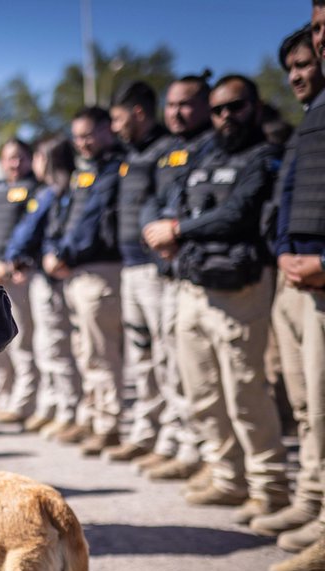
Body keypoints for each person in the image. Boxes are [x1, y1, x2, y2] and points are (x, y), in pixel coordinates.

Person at [143, 75, 290, 520]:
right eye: (222, 108)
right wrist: (167, 228)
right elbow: (169, 198)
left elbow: (239, 213)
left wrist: (179, 231)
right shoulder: (204, 155)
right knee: (203, 391)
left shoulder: (263, 157)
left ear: (255, 107)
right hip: (193, 286)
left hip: (239, 289)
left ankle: (270, 486)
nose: (228, 116)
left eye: (237, 106)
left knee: (246, 392)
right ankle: (228, 476)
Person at [252, 25, 325, 540]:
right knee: (305, 404)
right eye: (292, 68)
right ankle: (314, 499)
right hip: (296, 276)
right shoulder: (311, 118)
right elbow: (287, 202)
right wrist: (284, 254)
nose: (301, 71)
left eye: (305, 60)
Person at [136, 74, 216, 482]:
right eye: (171, 105)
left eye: (185, 104)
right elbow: (151, 200)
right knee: (169, 363)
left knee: (192, 370)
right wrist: (156, 232)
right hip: (168, 265)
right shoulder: (168, 151)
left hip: (202, 267)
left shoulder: (213, 145)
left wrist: (177, 231)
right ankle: (186, 446)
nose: (176, 112)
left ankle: (204, 454)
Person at [43, 106, 126, 456]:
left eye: (89, 134)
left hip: (99, 269)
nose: (83, 143)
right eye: (77, 136)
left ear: (108, 130)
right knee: (84, 351)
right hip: (75, 272)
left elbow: (93, 221)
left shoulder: (115, 167)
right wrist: (56, 251)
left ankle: (109, 424)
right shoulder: (83, 171)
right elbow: (66, 220)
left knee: (101, 352)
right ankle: (93, 418)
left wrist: (64, 254)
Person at [104, 82, 171, 464]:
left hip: (155, 269)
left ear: (139, 112)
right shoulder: (129, 156)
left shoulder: (166, 151)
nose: (114, 127)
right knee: (141, 357)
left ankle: (174, 442)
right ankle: (148, 433)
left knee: (166, 358)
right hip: (131, 268)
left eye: (118, 118)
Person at [5, 136, 82, 437]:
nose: (33, 163)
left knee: (58, 347)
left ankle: (69, 411)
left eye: (37, 156)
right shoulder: (51, 193)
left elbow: (36, 231)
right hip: (40, 274)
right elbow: (26, 232)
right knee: (47, 347)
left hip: (55, 276)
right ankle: (57, 409)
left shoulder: (62, 193)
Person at [0, 138, 39, 426]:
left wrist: (12, 265)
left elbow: (33, 234)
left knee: (22, 342)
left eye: (20, 157)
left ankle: (25, 403)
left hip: (16, 275)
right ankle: (5, 398)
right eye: (8, 158)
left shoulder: (35, 190)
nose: (14, 164)